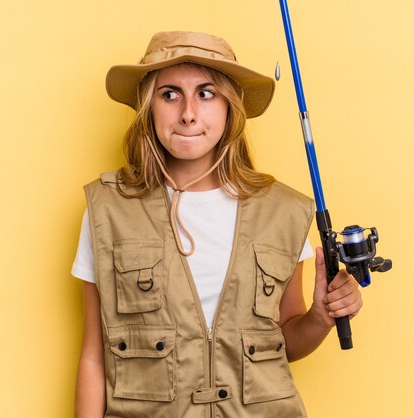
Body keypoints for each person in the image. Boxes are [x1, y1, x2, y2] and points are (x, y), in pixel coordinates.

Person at [72, 31, 363, 418]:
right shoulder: (108, 210)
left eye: (206, 93)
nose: (188, 113)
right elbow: (95, 354)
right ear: (148, 106)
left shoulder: (283, 212)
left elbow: (286, 341)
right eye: (170, 94)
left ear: (230, 107)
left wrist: (321, 318)